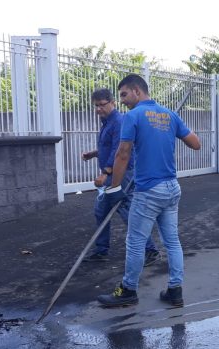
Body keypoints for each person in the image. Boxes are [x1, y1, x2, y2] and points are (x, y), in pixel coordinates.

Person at [97, 74, 201, 308]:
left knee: (135, 242)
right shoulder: (170, 115)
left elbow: (122, 154)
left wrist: (114, 186)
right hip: (171, 188)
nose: (121, 100)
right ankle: (175, 291)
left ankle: (128, 290)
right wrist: (172, 125)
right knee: (172, 241)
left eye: (123, 94)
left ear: (136, 91)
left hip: (148, 191)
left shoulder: (132, 116)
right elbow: (196, 144)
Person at [81, 88, 160, 265]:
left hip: (121, 175)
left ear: (112, 103)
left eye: (102, 105)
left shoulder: (119, 121)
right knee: (101, 211)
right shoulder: (107, 122)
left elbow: (120, 150)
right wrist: (94, 153)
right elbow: (108, 146)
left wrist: (105, 173)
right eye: (96, 106)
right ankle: (101, 250)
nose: (99, 109)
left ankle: (150, 250)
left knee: (127, 212)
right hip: (112, 175)